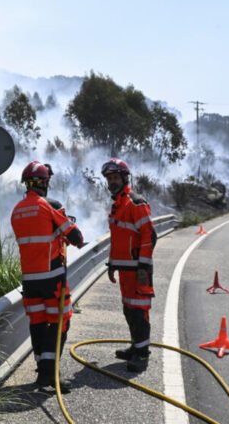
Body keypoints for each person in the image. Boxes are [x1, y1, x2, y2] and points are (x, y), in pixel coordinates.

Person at [11, 161, 84, 392]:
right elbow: (76, 237)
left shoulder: (17, 211)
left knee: (38, 324)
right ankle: (50, 374)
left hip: (29, 281)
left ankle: (41, 370)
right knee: (60, 323)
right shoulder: (48, 206)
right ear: (43, 183)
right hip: (52, 279)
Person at [101, 158, 156, 372]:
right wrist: (112, 264)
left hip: (138, 270)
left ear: (125, 178)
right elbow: (119, 239)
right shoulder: (118, 205)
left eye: (115, 178)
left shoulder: (135, 202)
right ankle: (136, 346)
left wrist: (143, 266)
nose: (112, 182)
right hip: (125, 270)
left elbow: (149, 236)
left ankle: (142, 355)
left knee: (139, 312)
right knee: (129, 310)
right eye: (109, 179)